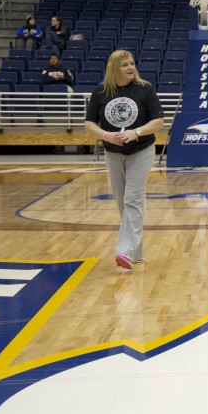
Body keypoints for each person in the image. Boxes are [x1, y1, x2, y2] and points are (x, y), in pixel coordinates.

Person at [83, 50, 163, 271]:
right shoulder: (100, 92)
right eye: (125, 64)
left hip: (141, 150)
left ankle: (124, 251)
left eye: (132, 64)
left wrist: (135, 132)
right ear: (114, 68)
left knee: (132, 199)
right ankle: (136, 253)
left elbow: (158, 122)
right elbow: (89, 124)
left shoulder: (144, 89)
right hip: (112, 152)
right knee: (122, 202)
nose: (130, 67)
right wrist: (106, 136)